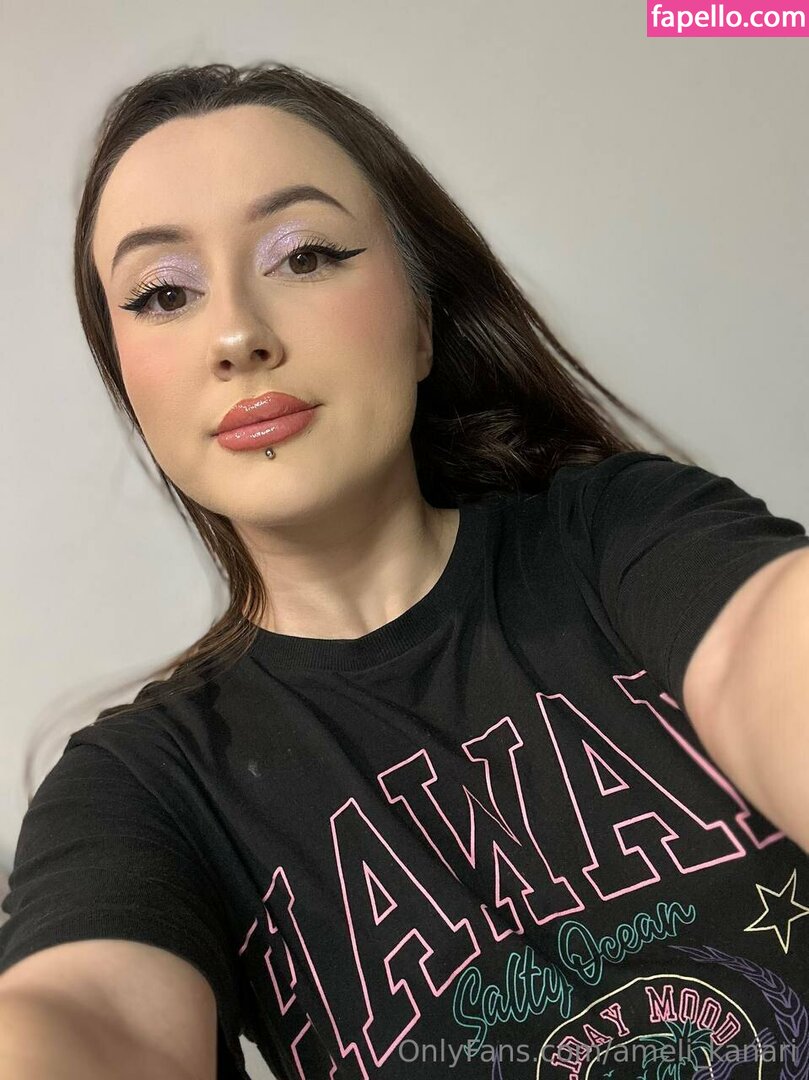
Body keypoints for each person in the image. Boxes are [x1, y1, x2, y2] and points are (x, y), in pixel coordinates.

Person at [0, 61, 807, 1080]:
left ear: (421, 323)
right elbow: (87, 1017)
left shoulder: (624, 537)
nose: (237, 334)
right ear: (130, 383)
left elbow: (771, 647)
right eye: (164, 294)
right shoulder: (143, 786)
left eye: (304, 256)